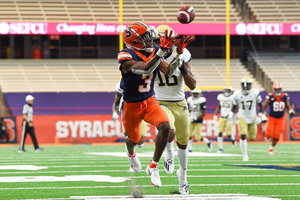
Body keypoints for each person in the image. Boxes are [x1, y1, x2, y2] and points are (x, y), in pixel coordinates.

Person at [118, 21, 192, 188]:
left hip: (150, 100)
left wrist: (178, 53)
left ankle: (153, 167)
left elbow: (169, 71)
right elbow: (146, 69)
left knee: (165, 127)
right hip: (132, 104)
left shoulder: (152, 51)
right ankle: (131, 155)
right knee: (134, 139)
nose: (149, 39)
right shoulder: (125, 56)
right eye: (144, 37)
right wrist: (161, 51)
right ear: (134, 41)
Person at [153, 25, 195, 194]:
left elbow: (192, 85)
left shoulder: (184, 53)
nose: (158, 42)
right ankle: (168, 153)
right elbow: (167, 72)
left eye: (160, 38)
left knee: (184, 143)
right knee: (168, 129)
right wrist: (175, 56)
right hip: (161, 101)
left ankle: (183, 177)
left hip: (180, 103)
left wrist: (183, 67)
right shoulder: (153, 54)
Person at [228, 77, 267, 161]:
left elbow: (261, 105)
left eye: (247, 84)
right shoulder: (237, 94)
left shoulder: (255, 93)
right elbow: (234, 106)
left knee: (252, 137)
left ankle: (245, 153)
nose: (246, 86)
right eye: (244, 84)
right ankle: (245, 155)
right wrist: (231, 113)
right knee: (243, 134)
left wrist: (260, 115)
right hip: (242, 116)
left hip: (253, 117)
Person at [112, 80, 147, 148]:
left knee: (140, 142)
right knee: (129, 138)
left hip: (140, 111)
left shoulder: (142, 82)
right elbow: (117, 101)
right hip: (126, 112)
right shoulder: (121, 85)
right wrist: (114, 112)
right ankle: (132, 156)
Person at [263, 83, 294, 154]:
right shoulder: (271, 97)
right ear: (274, 90)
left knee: (277, 134)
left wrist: (290, 110)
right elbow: (263, 106)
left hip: (281, 118)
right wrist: (263, 114)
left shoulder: (284, 97)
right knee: (268, 133)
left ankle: (271, 148)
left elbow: (287, 106)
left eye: (279, 89)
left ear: (281, 89)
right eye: (276, 90)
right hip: (272, 118)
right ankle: (268, 138)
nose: (278, 91)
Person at [214, 86, 236, 153]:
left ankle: (233, 139)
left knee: (228, 134)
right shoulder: (221, 97)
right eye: (225, 90)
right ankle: (220, 148)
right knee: (219, 132)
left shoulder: (232, 98)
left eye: (228, 90)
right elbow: (219, 106)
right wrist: (215, 114)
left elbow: (235, 107)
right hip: (222, 116)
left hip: (229, 117)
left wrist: (232, 113)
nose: (226, 92)